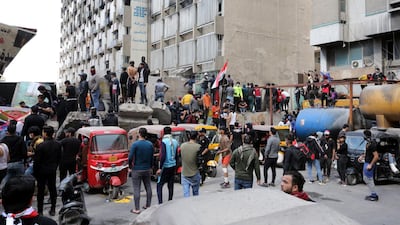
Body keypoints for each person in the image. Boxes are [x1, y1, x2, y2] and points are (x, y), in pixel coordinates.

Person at [33, 126, 62, 216]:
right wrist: (55, 166)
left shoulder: (41, 146)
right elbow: (59, 158)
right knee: (52, 189)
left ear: (45, 133)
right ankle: (53, 209)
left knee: (41, 191)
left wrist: (35, 173)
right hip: (52, 170)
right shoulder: (57, 144)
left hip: (42, 171)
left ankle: (40, 210)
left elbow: (37, 161)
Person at [128, 127, 154, 214]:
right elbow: (152, 157)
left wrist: (130, 167)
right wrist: (151, 167)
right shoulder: (150, 144)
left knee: (136, 189)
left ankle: (137, 208)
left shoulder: (135, 145)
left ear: (139, 134)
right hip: (147, 168)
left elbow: (130, 157)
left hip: (137, 169)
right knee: (148, 187)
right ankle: (148, 205)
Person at [156, 127, 178, 204]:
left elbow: (163, 156)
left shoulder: (164, 142)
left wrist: (160, 168)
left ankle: (160, 202)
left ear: (164, 133)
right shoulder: (175, 141)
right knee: (170, 184)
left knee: (159, 184)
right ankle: (170, 201)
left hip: (165, 166)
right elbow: (176, 155)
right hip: (173, 165)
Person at [0, 124, 26, 188]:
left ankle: (2, 193)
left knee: (5, 181)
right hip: (18, 163)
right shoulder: (20, 139)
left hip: (8, 164)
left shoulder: (3, 141)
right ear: (15, 131)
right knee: (21, 182)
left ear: (7, 131)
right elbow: (24, 153)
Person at [359, 129, 379, 201]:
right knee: (366, 178)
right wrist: (362, 156)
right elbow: (368, 153)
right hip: (366, 162)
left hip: (369, 163)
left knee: (369, 179)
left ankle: (374, 195)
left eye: (364, 135)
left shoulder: (372, 144)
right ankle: (373, 193)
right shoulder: (368, 143)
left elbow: (376, 156)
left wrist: (370, 165)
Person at [180, 131, 201, 197]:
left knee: (186, 194)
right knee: (195, 193)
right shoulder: (198, 147)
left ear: (189, 136)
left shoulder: (182, 146)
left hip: (184, 173)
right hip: (195, 172)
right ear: (197, 137)